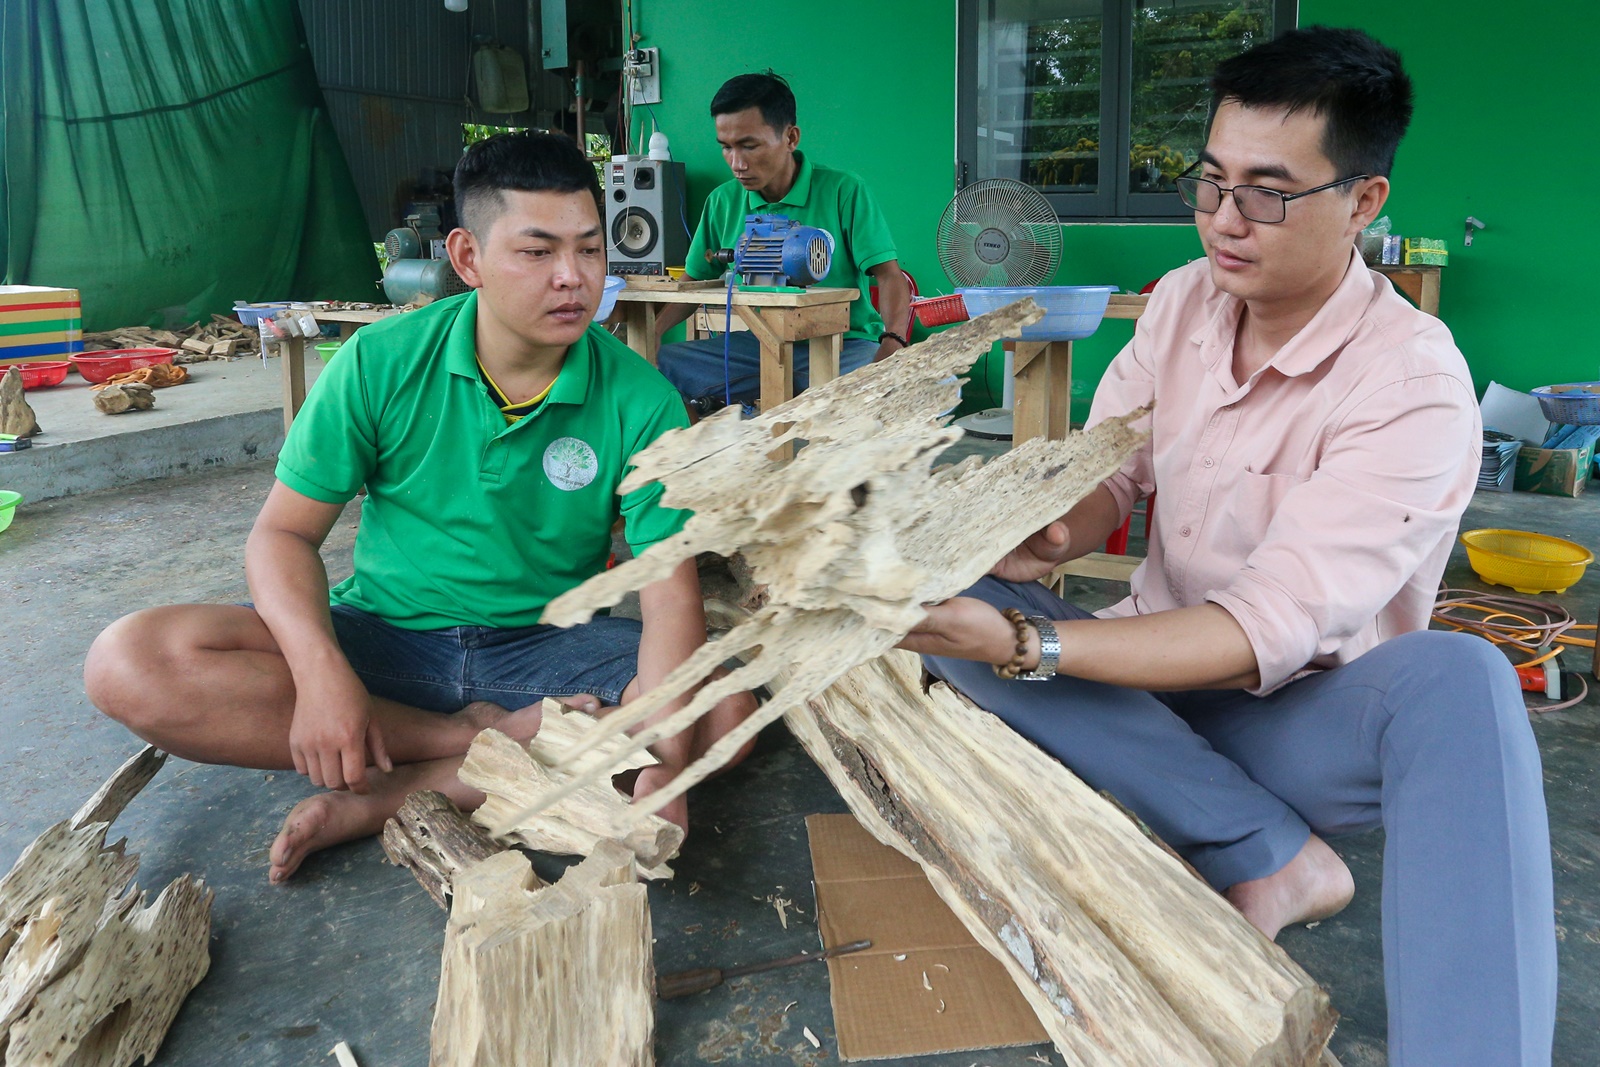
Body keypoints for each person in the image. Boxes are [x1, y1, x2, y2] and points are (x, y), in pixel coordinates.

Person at [901, 27, 1554, 1066]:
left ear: (1362, 201)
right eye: (1209, 183)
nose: (1224, 221)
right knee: (940, 603)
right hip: (1149, 687)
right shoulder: (1179, 303)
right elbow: (1112, 469)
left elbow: (1258, 631)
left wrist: (1032, 643)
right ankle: (1271, 850)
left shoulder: (1413, 384)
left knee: (1460, 683)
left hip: (1298, 722)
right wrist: (1047, 527)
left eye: (1266, 192)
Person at [84, 131, 756, 883]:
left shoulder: (642, 400)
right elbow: (281, 536)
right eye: (537, 252)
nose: (573, 278)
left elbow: (669, 598)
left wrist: (668, 765)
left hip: (542, 650)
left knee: (729, 710)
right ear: (467, 258)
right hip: (383, 639)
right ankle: (464, 739)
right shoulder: (382, 360)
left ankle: (390, 795)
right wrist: (321, 673)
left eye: (591, 250)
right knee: (129, 661)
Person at [651, 72, 911, 412]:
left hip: (844, 344)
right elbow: (694, 281)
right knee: (656, 366)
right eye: (726, 148)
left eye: (749, 145)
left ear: (790, 137)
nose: (737, 163)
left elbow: (890, 276)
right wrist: (651, 338)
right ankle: (727, 445)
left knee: (924, 386)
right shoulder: (722, 202)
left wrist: (894, 341)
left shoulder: (844, 191)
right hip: (761, 346)